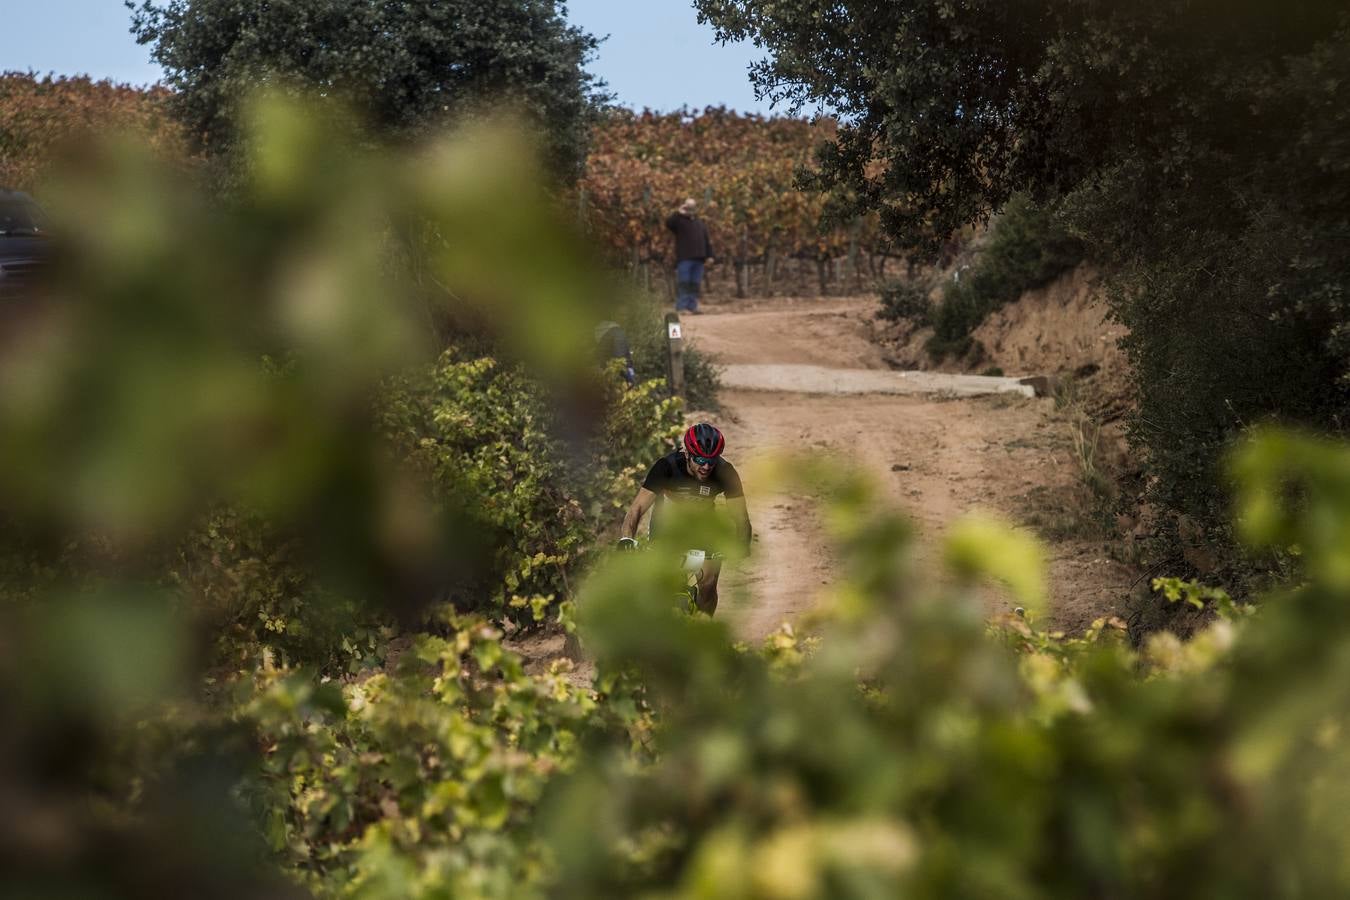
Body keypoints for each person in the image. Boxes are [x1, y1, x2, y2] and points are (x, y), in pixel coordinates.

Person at [618, 423, 751, 615]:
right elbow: (636, 509)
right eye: (699, 459)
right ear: (687, 454)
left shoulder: (725, 472)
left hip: (704, 528)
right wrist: (626, 539)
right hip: (667, 525)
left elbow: (741, 516)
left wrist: (741, 544)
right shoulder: (667, 467)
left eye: (711, 460)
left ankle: (704, 633)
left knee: (708, 582)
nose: (706, 466)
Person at [665, 198, 714, 314]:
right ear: (685, 207)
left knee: (695, 284)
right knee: (684, 283)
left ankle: (692, 306)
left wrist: (710, 255)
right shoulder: (679, 221)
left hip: (699, 258)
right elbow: (668, 223)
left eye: (692, 207)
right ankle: (681, 307)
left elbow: (707, 240)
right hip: (685, 258)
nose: (690, 209)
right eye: (688, 206)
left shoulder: (700, 223)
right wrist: (678, 212)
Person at [594, 320, 636, 386]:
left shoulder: (604, 336)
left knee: (621, 362)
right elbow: (623, 354)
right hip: (617, 343)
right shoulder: (618, 332)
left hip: (613, 354)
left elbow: (619, 355)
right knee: (623, 361)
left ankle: (631, 382)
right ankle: (631, 382)